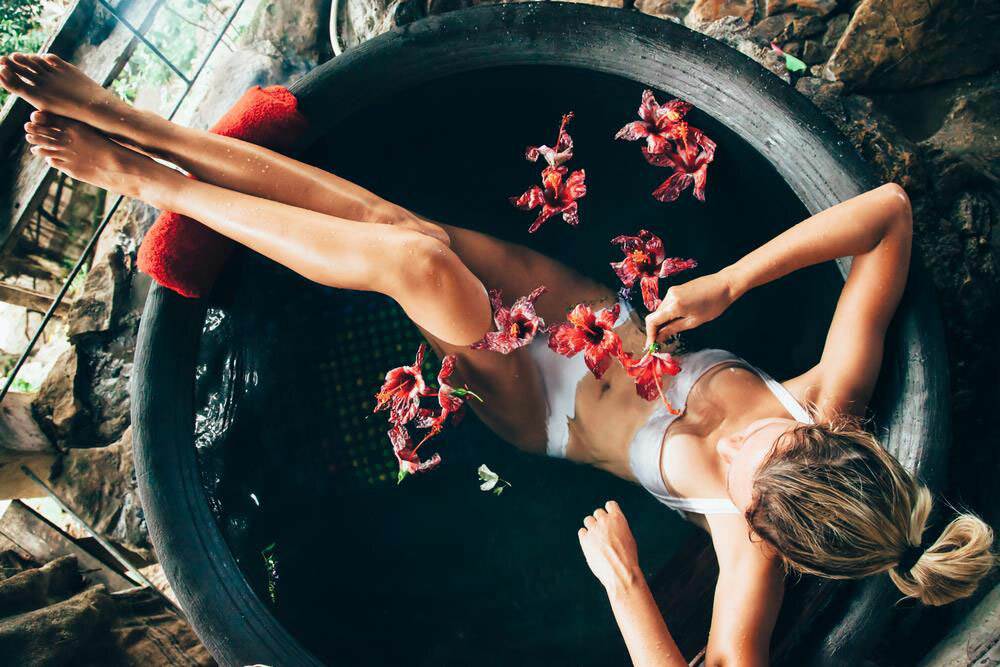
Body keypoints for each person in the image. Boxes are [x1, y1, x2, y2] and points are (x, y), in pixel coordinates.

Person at [1, 52, 993, 667]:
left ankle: (143, 172)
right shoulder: (837, 396)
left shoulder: (751, 549)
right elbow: (888, 219)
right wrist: (728, 285)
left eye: (743, 481)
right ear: (825, 432)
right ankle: (138, 128)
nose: (740, 451)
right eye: (774, 440)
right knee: (400, 227)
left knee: (417, 266)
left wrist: (627, 590)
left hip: (540, 408)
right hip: (581, 312)